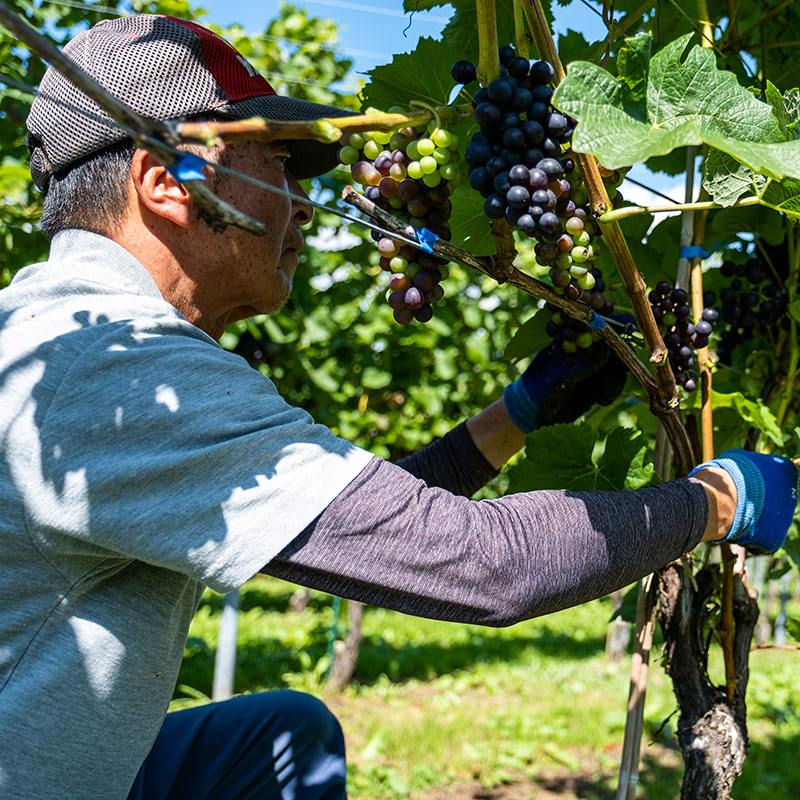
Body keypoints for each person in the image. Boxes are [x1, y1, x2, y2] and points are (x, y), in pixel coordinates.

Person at [0, 13, 796, 800]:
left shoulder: (59, 334)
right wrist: (718, 499)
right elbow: (488, 566)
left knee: (284, 737)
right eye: (279, 163)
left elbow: (373, 521)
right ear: (165, 181)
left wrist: (518, 412)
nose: (304, 206)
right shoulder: (121, 369)